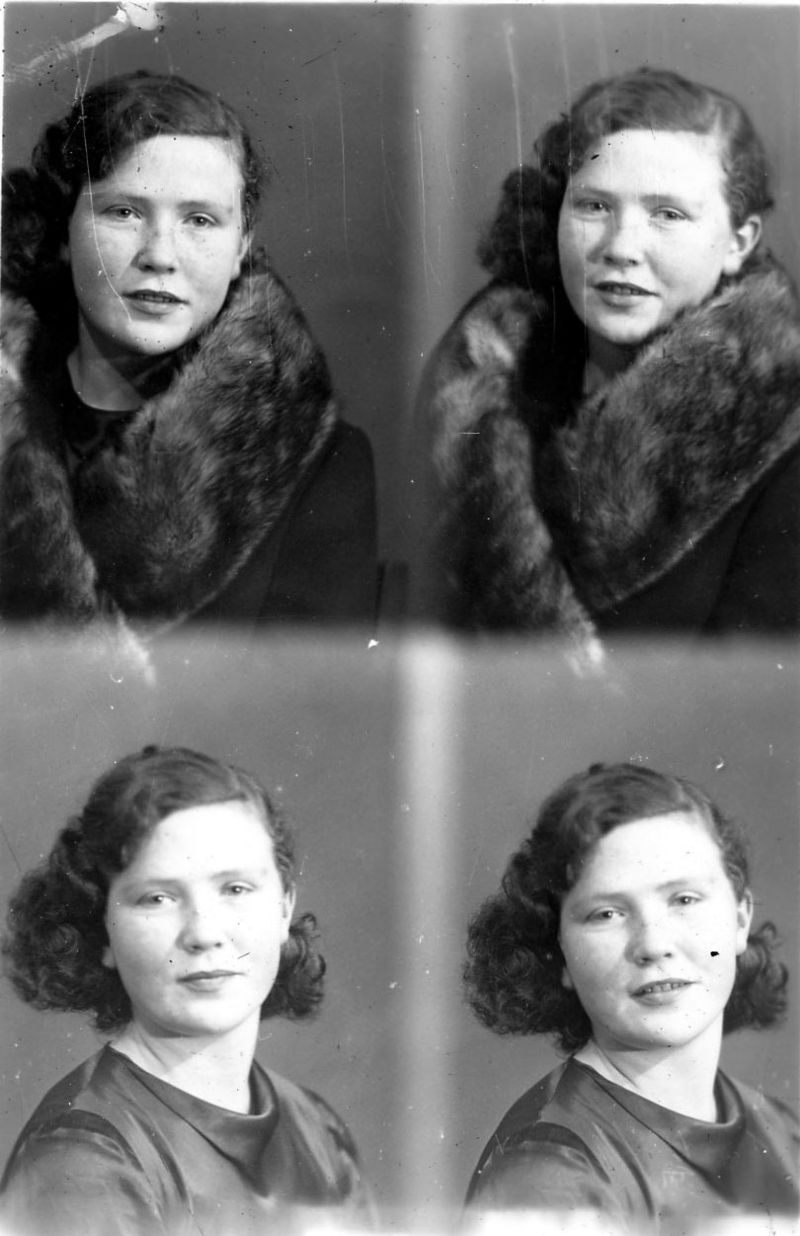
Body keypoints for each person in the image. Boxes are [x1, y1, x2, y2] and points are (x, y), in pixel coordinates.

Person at [418, 68, 800, 659]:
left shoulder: (786, 428)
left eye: (668, 214)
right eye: (594, 206)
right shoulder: (474, 387)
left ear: (739, 241)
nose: (621, 247)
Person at [0, 71, 377, 662]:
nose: (160, 255)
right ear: (64, 231)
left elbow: (304, 707)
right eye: (123, 212)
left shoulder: (322, 464)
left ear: (241, 247)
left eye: (200, 220)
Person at [0, 746, 374, 1236]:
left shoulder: (318, 1131)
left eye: (235, 889)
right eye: (157, 898)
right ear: (102, 932)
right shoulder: (78, 1163)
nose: (204, 932)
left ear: (284, 908)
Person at [463, 763, 798, 1231]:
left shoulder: (785, 1137)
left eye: (684, 899)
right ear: (558, 953)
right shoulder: (545, 1174)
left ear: (741, 918)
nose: (654, 944)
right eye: (607, 913)